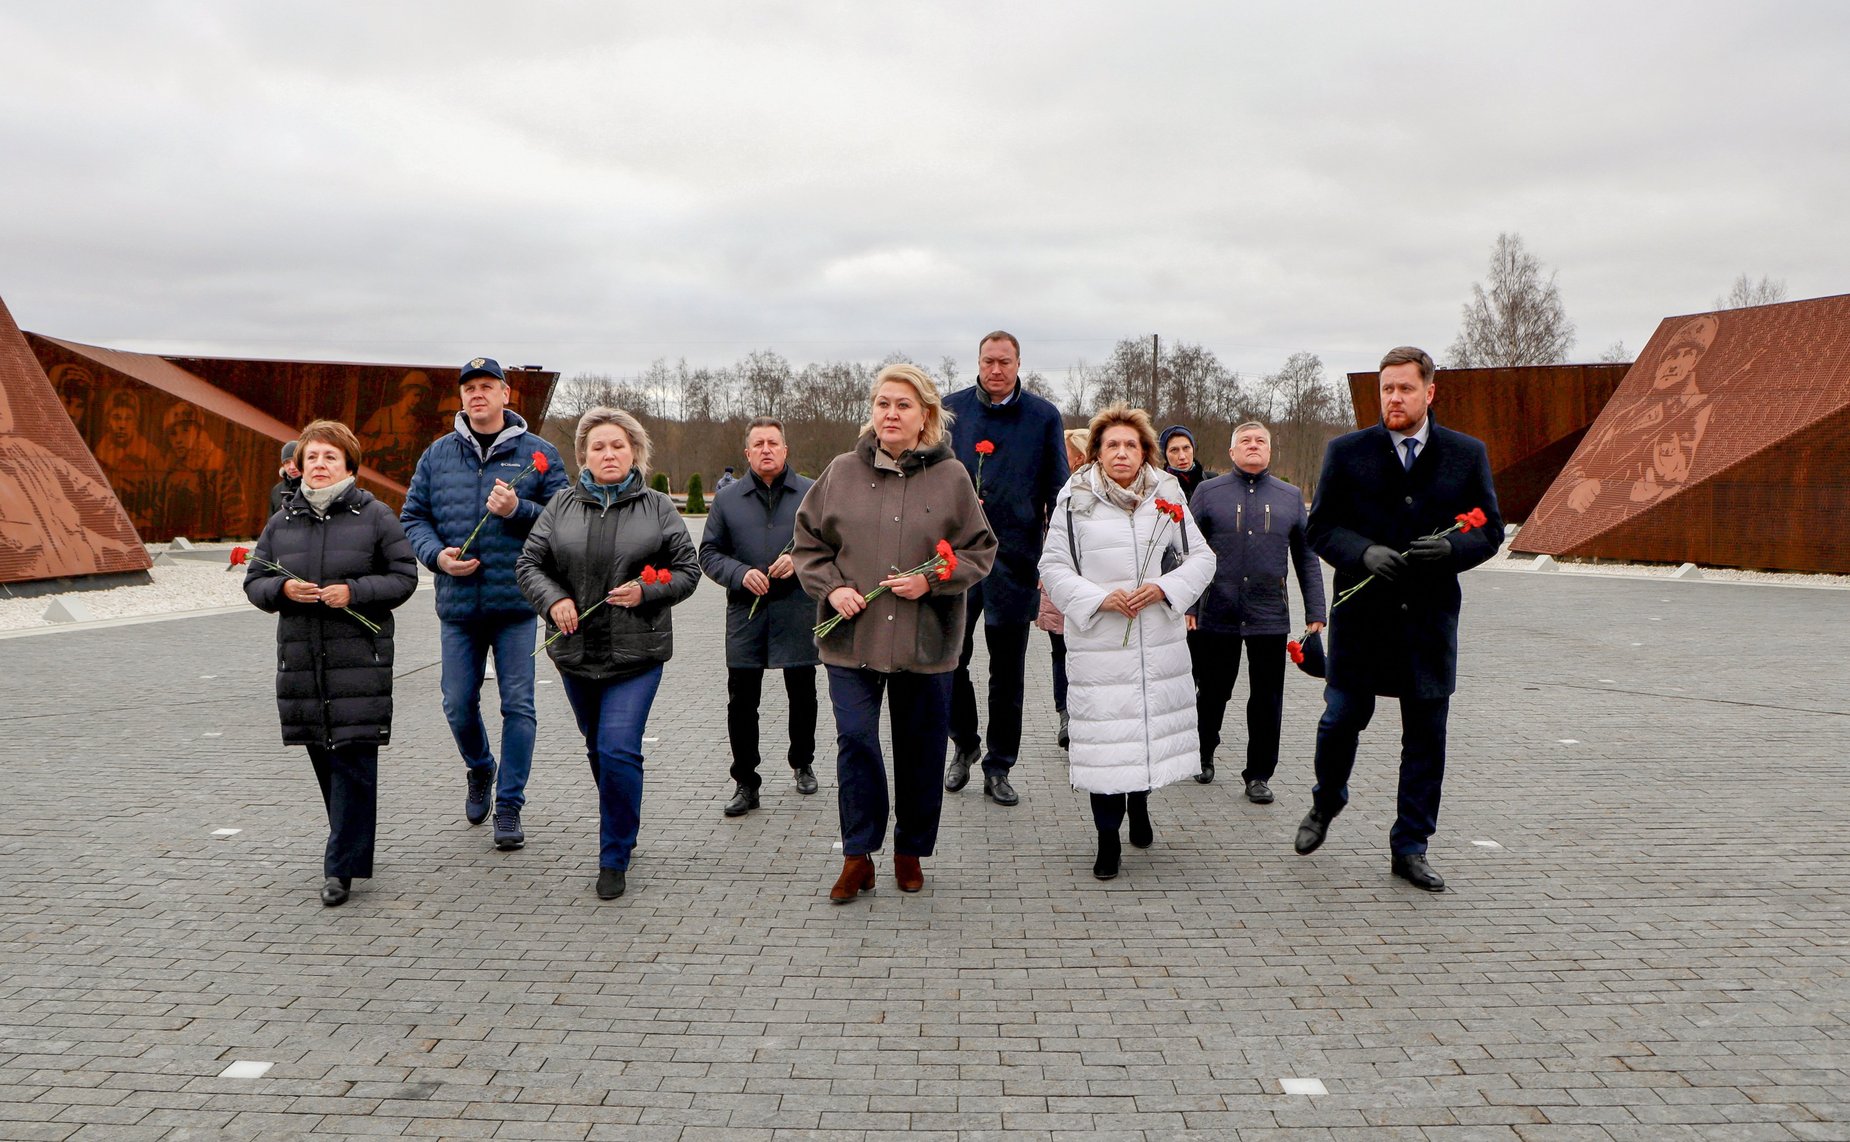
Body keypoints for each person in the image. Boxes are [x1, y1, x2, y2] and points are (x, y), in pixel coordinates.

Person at [1293, 346, 1503, 892]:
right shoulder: (1347, 452)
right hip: (1362, 622)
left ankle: (1410, 845)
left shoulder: (1465, 454)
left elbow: (1489, 529)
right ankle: (1327, 800)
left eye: (1405, 388)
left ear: (1429, 392)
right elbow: (1321, 528)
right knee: (1339, 720)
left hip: (1427, 625)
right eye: (1386, 388)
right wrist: (1362, 553)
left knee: (1426, 740)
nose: (1393, 398)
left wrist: (1454, 552)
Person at [793, 364, 996, 902]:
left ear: (925, 415)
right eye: (883, 403)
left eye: (903, 405)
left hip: (925, 641)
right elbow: (808, 546)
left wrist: (929, 580)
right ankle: (858, 855)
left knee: (920, 749)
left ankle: (910, 851)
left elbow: (980, 551)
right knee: (856, 741)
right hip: (849, 639)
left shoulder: (953, 478)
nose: (890, 413)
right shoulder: (840, 471)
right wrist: (832, 589)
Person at [517, 407, 699, 901]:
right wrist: (554, 600)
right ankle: (623, 817)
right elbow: (529, 563)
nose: (608, 454)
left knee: (618, 746)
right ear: (583, 456)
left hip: (637, 653)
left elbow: (687, 570)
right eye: (597, 447)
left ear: (634, 451)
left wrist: (647, 592)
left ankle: (614, 853)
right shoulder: (559, 505)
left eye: (617, 445)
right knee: (599, 748)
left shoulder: (659, 507)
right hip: (575, 652)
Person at [241, 420, 418, 907]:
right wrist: (281, 589)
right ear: (298, 465)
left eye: (329, 458)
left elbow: (404, 578)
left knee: (354, 761)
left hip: (358, 659)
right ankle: (351, 846)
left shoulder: (376, 515)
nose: (319, 465)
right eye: (312, 457)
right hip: (302, 661)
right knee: (325, 756)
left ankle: (339, 867)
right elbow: (254, 581)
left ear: (349, 467)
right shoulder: (282, 520)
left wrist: (353, 592)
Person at [1039, 403, 1216, 880]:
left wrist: (1164, 588)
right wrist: (1098, 600)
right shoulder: (1074, 497)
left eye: (1130, 445)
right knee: (1105, 742)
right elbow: (1052, 568)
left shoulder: (1168, 491)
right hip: (1100, 643)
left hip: (1156, 638)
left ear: (1144, 452)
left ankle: (1140, 806)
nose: (1121, 453)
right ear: (1096, 451)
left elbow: (1201, 559)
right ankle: (1106, 840)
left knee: (1141, 734)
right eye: (1111, 444)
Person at [400, 357, 567, 850]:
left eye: (487, 386)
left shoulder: (539, 453)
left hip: (516, 604)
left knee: (518, 704)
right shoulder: (437, 455)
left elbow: (563, 520)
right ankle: (480, 767)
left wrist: (519, 511)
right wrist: (436, 557)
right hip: (459, 606)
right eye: (469, 387)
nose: (478, 394)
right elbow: (414, 517)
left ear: (505, 394)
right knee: (456, 703)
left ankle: (510, 804)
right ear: (462, 398)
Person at [943, 330, 1068, 806]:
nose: (996, 370)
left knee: (1008, 671)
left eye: (1005, 362)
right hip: (954, 559)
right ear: (977, 361)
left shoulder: (1042, 417)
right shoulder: (951, 411)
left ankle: (999, 764)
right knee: (951, 657)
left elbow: (1057, 492)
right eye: (989, 361)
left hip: (1015, 560)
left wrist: (1055, 558)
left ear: (1019, 364)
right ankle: (965, 743)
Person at [1188, 421, 1326, 795]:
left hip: (1269, 613)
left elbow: (1306, 555)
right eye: (1245, 441)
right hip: (1218, 608)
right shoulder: (1207, 492)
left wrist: (1316, 611)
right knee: (1214, 690)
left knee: (1267, 697)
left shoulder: (1290, 496)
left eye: (1260, 441)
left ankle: (1259, 775)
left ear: (1270, 451)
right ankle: (1202, 753)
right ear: (1232, 452)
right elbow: (1185, 549)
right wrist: (1188, 604)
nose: (1253, 446)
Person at [699, 417, 820, 816]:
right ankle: (745, 781)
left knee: (802, 692)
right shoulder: (728, 499)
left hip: (796, 610)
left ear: (786, 450)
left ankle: (802, 761)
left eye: (773, 443)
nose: (766, 449)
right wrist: (739, 573)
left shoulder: (811, 493)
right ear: (747, 453)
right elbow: (709, 554)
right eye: (758, 444)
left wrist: (798, 560)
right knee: (741, 701)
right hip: (745, 613)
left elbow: (830, 544)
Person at [1035, 428, 1091, 750]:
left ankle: (1080, 713)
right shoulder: (1058, 491)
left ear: (1078, 457)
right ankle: (1066, 714)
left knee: (1078, 650)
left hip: (1090, 584)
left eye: (1065, 452)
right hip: (1059, 580)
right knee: (1060, 651)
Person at [1159, 424, 1216, 503]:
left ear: (1193, 449)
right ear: (1165, 455)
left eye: (1186, 448)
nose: (1182, 456)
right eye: (1174, 450)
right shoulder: (1158, 489)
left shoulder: (1213, 481)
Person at [270, 439, 302, 515]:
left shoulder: (313, 486)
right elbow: (271, 522)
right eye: (287, 462)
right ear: (283, 465)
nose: (292, 467)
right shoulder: (277, 490)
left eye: (295, 461)